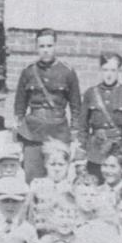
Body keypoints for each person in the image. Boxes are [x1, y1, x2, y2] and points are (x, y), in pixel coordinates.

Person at [13, 28, 81, 180]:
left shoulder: (67, 72)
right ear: (37, 48)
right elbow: (19, 106)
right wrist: (17, 135)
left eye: (49, 46)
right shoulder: (28, 72)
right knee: (32, 176)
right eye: (42, 46)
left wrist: (75, 134)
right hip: (32, 132)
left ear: (55, 46)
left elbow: (76, 107)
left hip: (58, 131)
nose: (46, 50)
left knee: (57, 175)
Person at [76, 52, 122, 177]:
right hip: (96, 151)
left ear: (118, 71)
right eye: (105, 70)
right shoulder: (91, 93)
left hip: (119, 150)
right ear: (101, 71)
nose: (109, 74)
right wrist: (79, 159)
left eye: (113, 70)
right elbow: (82, 127)